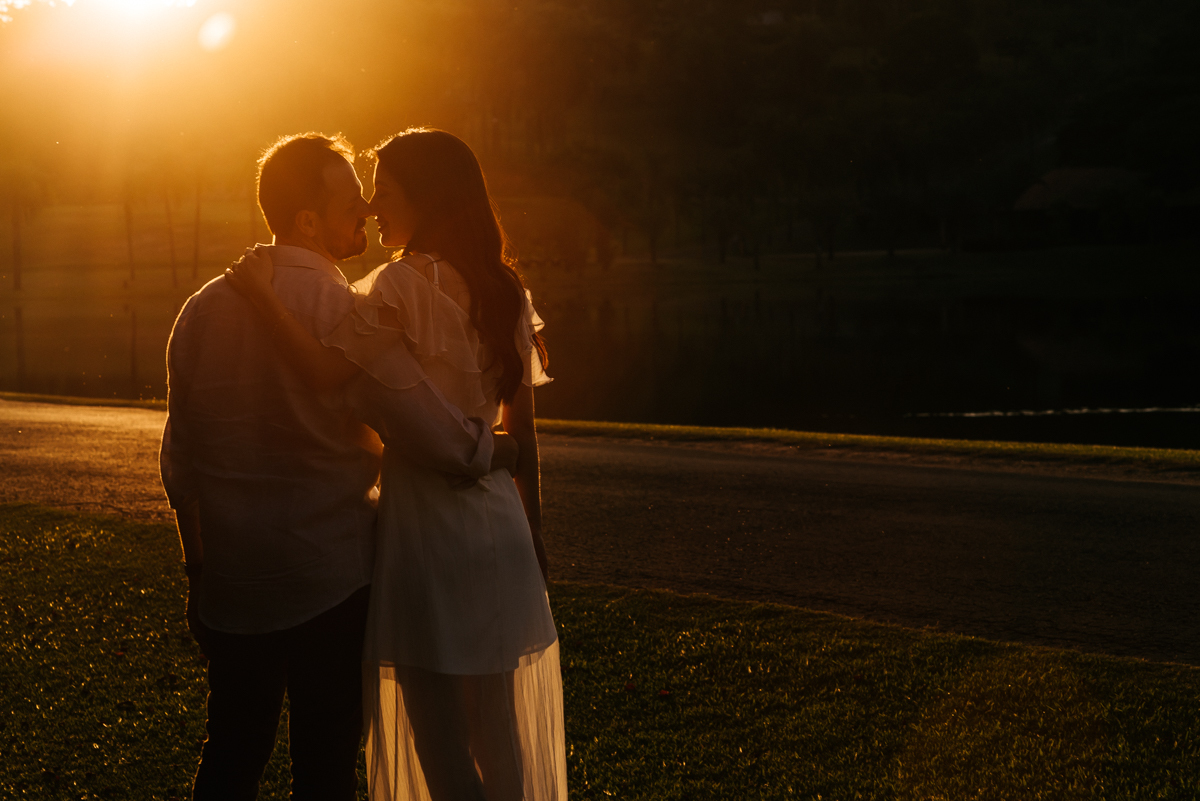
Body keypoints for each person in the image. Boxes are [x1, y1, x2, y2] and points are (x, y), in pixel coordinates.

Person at [160, 132, 519, 801]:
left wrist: (198, 571)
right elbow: (417, 422)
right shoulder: (344, 309)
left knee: (233, 750)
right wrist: (491, 447)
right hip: (332, 580)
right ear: (307, 221)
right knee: (324, 767)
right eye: (350, 200)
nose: (366, 207)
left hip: (234, 581)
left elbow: (181, 463)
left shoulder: (200, 311)